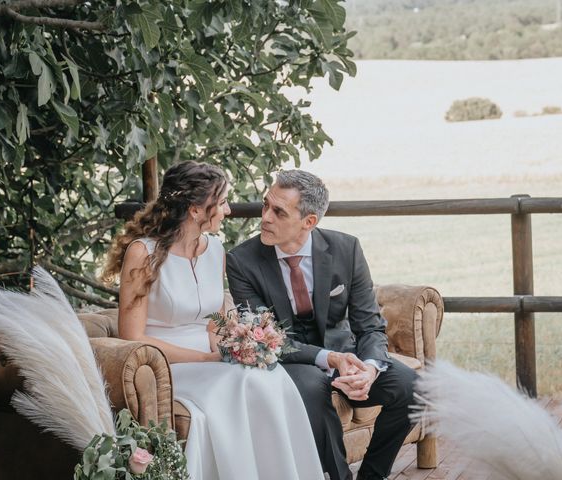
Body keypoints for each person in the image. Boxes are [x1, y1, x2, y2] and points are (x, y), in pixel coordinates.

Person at [102, 161, 324, 480]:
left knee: (268, 375)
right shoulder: (143, 254)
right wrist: (208, 358)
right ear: (195, 210)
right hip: (165, 368)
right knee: (240, 381)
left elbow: (213, 323)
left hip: (210, 362)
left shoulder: (216, 249)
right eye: (221, 203)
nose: (228, 210)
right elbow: (133, 337)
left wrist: (239, 347)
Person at [226, 170, 417, 480]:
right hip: (290, 359)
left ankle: (372, 476)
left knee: (411, 387)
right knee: (311, 389)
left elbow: (369, 324)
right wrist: (327, 359)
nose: (265, 217)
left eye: (278, 211)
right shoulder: (242, 260)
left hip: (345, 354)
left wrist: (368, 369)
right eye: (265, 206)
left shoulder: (346, 249)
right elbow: (264, 337)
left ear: (309, 221)